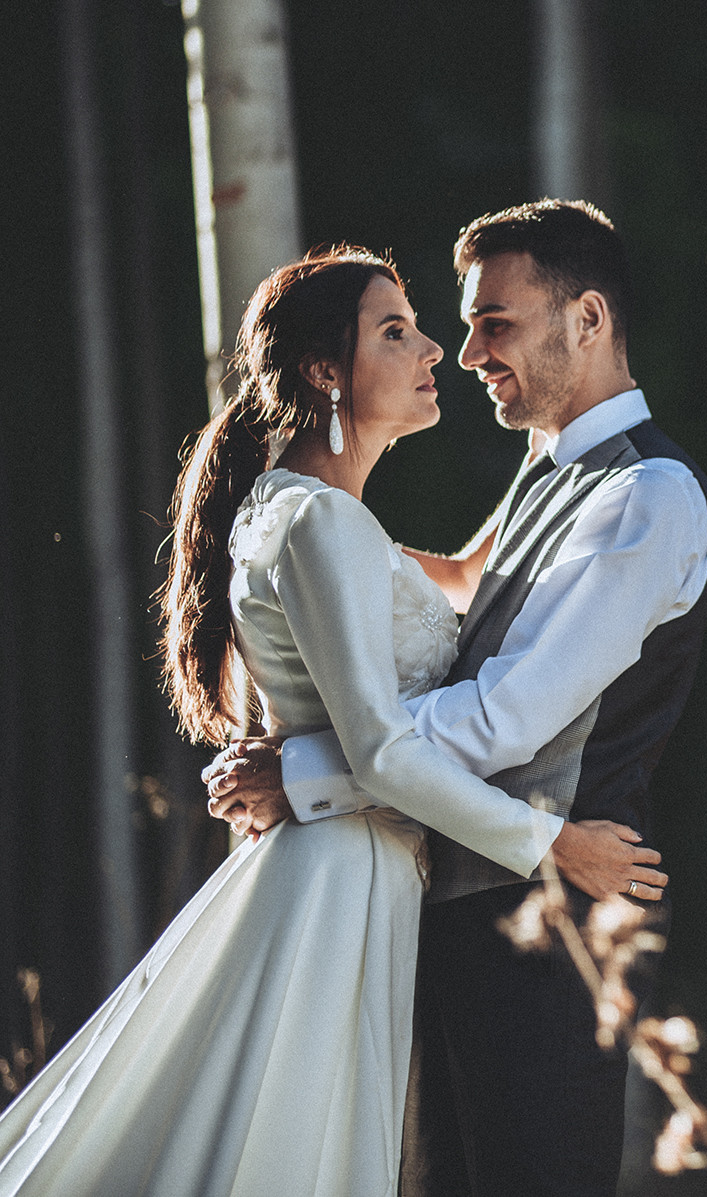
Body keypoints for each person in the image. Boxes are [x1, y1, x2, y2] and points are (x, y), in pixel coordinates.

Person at [0, 247, 661, 1194]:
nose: (435, 346)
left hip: (349, 868)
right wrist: (556, 843)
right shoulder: (324, 523)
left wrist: (549, 439)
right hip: (341, 876)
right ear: (324, 371)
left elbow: (471, 576)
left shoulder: (305, 511)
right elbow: (385, 752)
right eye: (395, 331)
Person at [207, 200, 707, 1197]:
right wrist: (305, 529)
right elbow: (458, 583)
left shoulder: (644, 495)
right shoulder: (550, 467)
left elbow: (500, 720)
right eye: (466, 321)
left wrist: (310, 764)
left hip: (557, 919)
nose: (469, 349)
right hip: (453, 901)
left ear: (588, 319)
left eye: (498, 322)